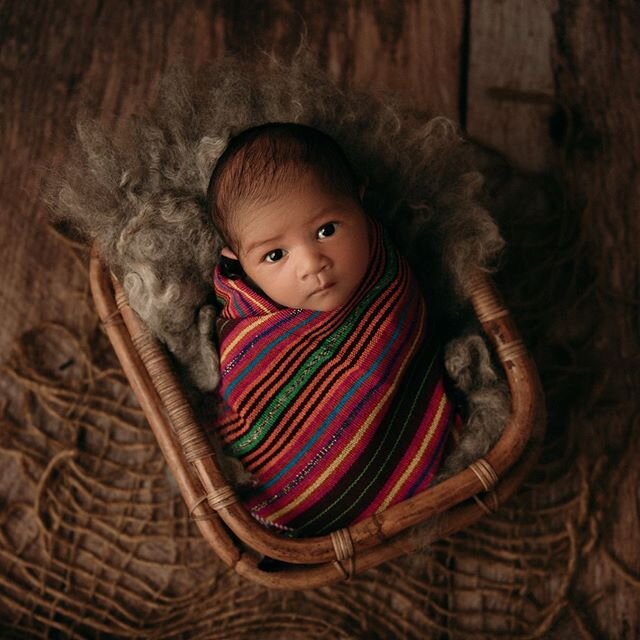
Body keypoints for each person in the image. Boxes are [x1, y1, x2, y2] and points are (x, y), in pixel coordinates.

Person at [206, 122, 458, 537]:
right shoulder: (249, 334)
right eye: (274, 255)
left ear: (360, 203)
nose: (311, 265)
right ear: (238, 262)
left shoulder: (383, 269)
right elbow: (243, 396)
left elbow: (412, 337)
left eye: (326, 230)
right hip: (291, 499)